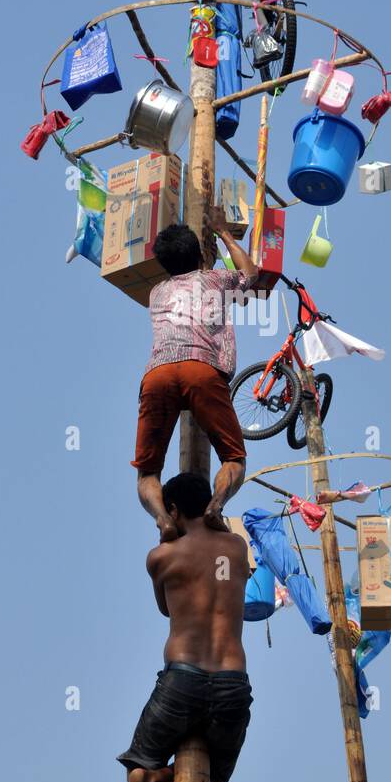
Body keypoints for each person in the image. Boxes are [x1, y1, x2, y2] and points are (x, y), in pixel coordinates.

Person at [117, 472, 253, 782]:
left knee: (137, 763)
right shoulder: (233, 549)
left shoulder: (161, 558)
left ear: (172, 511)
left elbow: (165, 608)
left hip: (181, 681)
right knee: (218, 773)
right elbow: (226, 575)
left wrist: (169, 536)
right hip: (232, 683)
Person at [132, 216, 258, 542]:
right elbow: (250, 274)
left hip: (157, 374)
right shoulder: (213, 280)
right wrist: (223, 233)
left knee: (148, 472)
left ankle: (162, 520)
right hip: (202, 370)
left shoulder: (156, 293)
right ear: (200, 255)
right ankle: (215, 506)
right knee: (233, 458)